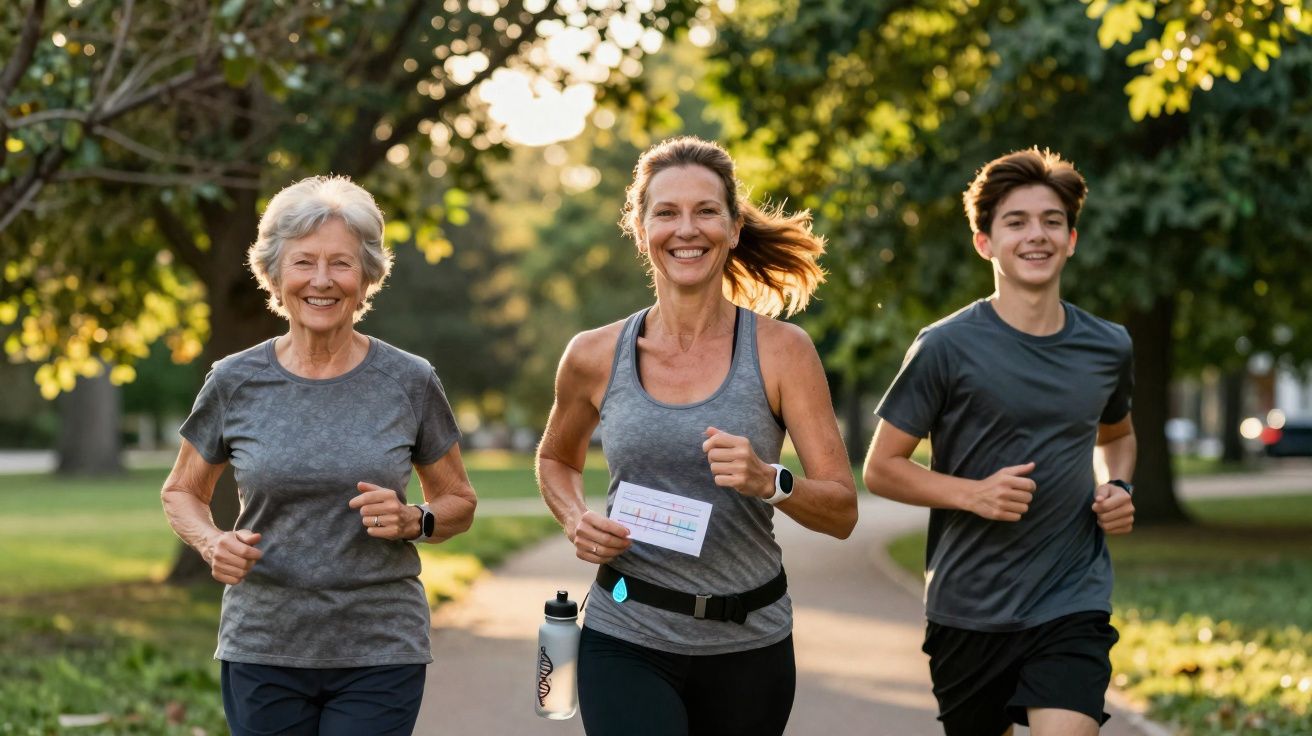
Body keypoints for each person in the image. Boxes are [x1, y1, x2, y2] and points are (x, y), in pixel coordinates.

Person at [537, 136, 858, 736]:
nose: (687, 229)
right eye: (666, 212)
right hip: (625, 630)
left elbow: (841, 510)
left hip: (749, 644)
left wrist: (771, 481)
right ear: (640, 228)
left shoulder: (784, 352)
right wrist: (574, 516)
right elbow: (556, 458)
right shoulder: (592, 355)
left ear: (734, 228)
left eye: (706, 211)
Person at [160, 175, 477, 736]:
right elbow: (182, 490)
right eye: (305, 262)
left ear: (367, 277)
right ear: (276, 275)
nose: (322, 281)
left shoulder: (409, 380)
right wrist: (212, 542)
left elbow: (458, 501)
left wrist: (414, 519)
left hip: (380, 645)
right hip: (264, 642)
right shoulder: (235, 380)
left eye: (342, 264)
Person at [863, 148, 1137, 736]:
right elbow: (882, 468)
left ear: (1072, 240)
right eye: (1016, 222)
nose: (1036, 235)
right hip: (969, 607)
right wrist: (972, 495)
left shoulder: (1108, 346)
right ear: (984, 241)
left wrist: (1117, 483)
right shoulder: (944, 347)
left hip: (1072, 597)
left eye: (1051, 221)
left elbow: (1118, 435)